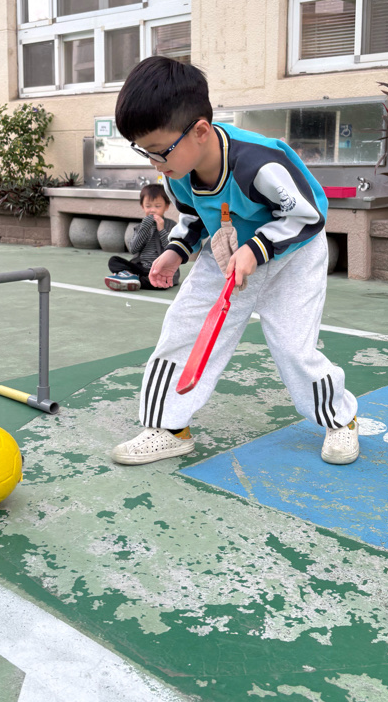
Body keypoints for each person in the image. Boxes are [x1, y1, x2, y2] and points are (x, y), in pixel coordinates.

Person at [109, 56, 359, 467]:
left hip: (291, 255)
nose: (154, 163)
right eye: (144, 152)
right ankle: (169, 428)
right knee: (184, 330)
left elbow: (307, 215)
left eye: (158, 151)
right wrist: (176, 251)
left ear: (200, 131)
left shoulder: (259, 162)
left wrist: (256, 249)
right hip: (225, 254)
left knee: (293, 347)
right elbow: (193, 217)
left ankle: (340, 419)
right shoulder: (176, 171)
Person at [104, 183, 179, 291]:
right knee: (114, 261)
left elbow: (172, 250)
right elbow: (133, 249)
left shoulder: (171, 225)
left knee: (162, 282)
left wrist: (162, 230)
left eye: (157, 206)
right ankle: (134, 278)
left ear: (166, 206)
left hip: (161, 270)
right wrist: (144, 229)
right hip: (141, 267)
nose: (152, 210)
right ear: (142, 207)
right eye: (148, 206)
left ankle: (132, 279)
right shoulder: (140, 227)